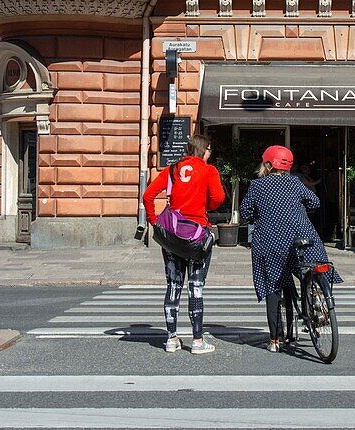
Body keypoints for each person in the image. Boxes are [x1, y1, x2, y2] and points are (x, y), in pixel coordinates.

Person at [241, 145, 342, 353]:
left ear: (268, 165)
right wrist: (299, 213)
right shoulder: (295, 183)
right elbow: (314, 201)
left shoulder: (257, 186)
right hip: (302, 236)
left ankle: (274, 341)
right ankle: (314, 298)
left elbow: (245, 212)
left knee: (273, 286)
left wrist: (258, 218)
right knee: (312, 266)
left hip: (271, 241)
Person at [142, 134, 225, 355]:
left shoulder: (172, 170)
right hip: (196, 236)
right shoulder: (209, 171)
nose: (210, 154)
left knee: (173, 285)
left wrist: (154, 222)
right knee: (195, 287)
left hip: (172, 237)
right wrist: (204, 203)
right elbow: (218, 198)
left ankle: (171, 338)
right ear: (204, 149)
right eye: (209, 150)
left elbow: (148, 195)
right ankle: (197, 341)